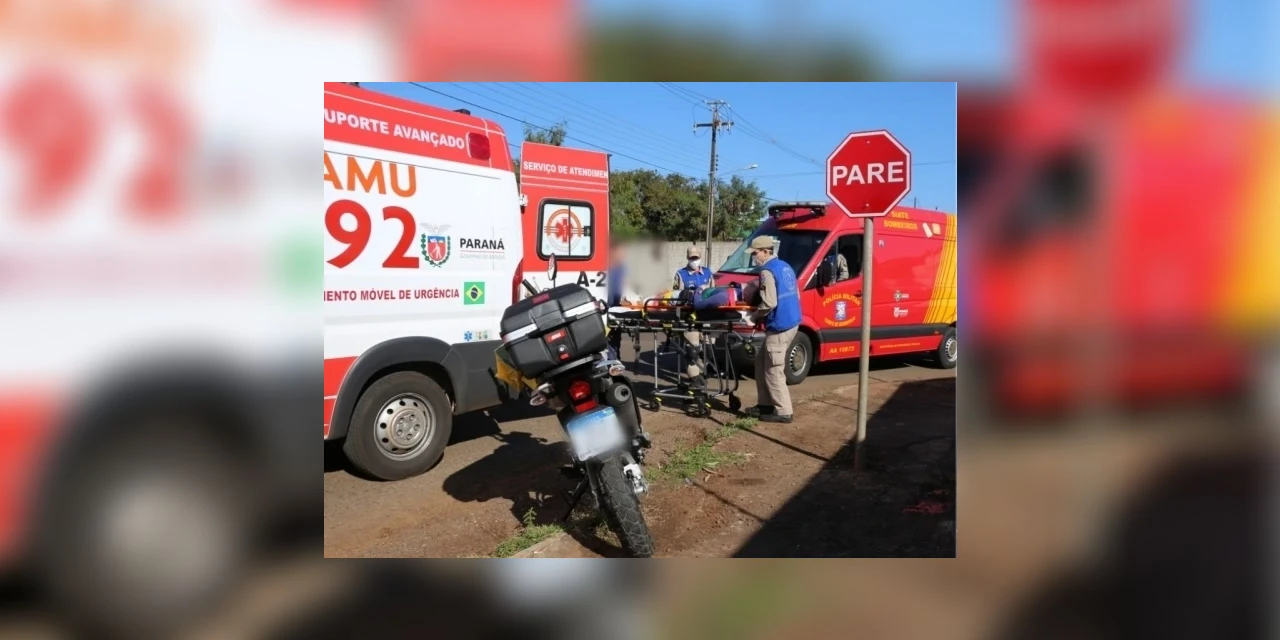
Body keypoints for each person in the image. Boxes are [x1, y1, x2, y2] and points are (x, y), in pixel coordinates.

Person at [745, 235, 800, 423]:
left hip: (780, 326)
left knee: (773, 370)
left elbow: (769, 302)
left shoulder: (767, 272)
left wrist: (752, 317)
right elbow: (796, 295)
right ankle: (765, 404)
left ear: (766, 251)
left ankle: (783, 411)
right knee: (761, 364)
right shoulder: (785, 266)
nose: (754, 257)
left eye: (755, 253)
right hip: (791, 322)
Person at [673, 246, 713, 389]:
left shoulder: (708, 273)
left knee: (708, 349)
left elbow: (713, 291)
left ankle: (703, 373)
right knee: (693, 349)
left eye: (696, 258)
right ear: (687, 258)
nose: (694, 260)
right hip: (688, 316)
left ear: (700, 257)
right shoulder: (681, 274)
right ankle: (695, 378)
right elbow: (676, 297)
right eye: (692, 258)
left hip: (707, 316)